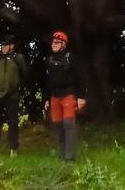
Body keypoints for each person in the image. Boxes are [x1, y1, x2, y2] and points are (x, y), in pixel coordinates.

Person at [45, 30, 85, 161]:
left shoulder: (70, 58)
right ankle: (63, 153)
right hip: (54, 97)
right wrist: (46, 99)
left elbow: (80, 77)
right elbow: (47, 81)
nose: (54, 44)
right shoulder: (50, 59)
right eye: (53, 42)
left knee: (69, 125)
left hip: (68, 95)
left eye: (57, 42)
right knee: (58, 125)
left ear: (64, 44)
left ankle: (70, 157)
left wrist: (81, 97)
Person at [0, 34, 28, 156]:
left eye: (5, 45)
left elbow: (25, 74)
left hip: (12, 96)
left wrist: (17, 87)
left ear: (12, 46)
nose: (3, 47)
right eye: (2, 45)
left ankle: (13, 148)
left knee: (13, 122)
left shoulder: (18, 58)